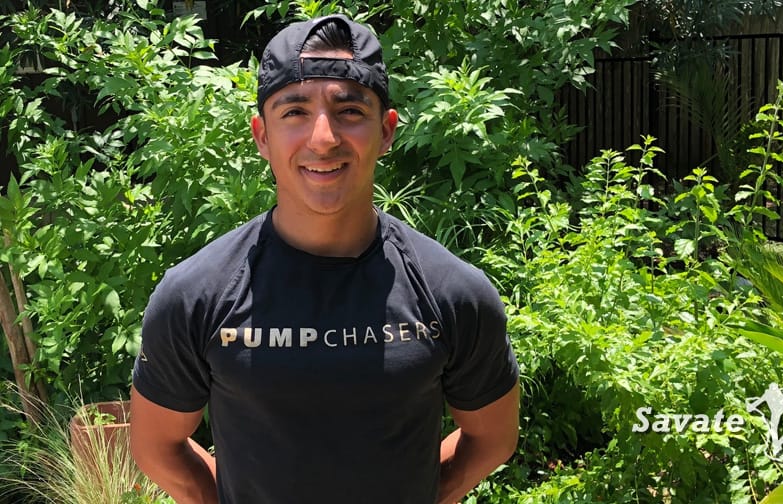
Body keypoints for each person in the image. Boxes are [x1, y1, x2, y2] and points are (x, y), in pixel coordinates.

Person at [129, 14, 520, 504]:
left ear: (387, 130)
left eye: (349, 110)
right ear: (262, 136)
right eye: (294, 111)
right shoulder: (195, 295)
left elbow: (492, 437)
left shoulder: (453, 293)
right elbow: (156, 445)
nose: (323, 138)